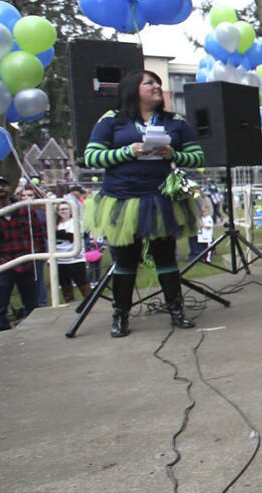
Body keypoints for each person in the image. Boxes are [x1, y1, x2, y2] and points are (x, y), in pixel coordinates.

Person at [83, 70, 205, 338]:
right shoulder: (112, 120)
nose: (157, 87)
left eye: (158, 83)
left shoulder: (176, 122)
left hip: (160, 199)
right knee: (125, 259)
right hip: (122, 200)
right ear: (132, 89)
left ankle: (176, 310)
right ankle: (120, 314)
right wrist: (128, 151)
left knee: (166, 257)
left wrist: (174, 154)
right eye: (149, 83)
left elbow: (198, 156)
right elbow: (91, 156)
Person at [0, 175, 46, 332]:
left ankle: (34, 333)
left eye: (3, 185)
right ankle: (0, 335)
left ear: (10, 188)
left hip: (28, 262)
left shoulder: (24, 209)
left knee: (33, 304)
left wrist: (38, 257)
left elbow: (37, 233)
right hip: (2, 264)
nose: (0, 188)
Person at [53, 201, 92, 303]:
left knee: (81, 282)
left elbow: (72, 237)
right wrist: (61, 234)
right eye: (61, 209)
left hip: (76, 258)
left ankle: (90, 302)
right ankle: (69, 303)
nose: (64, 211)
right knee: (64, 284)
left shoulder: (77, 222)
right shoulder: (54, 223)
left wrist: (58, 234)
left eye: (66, 209)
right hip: (60, 259)